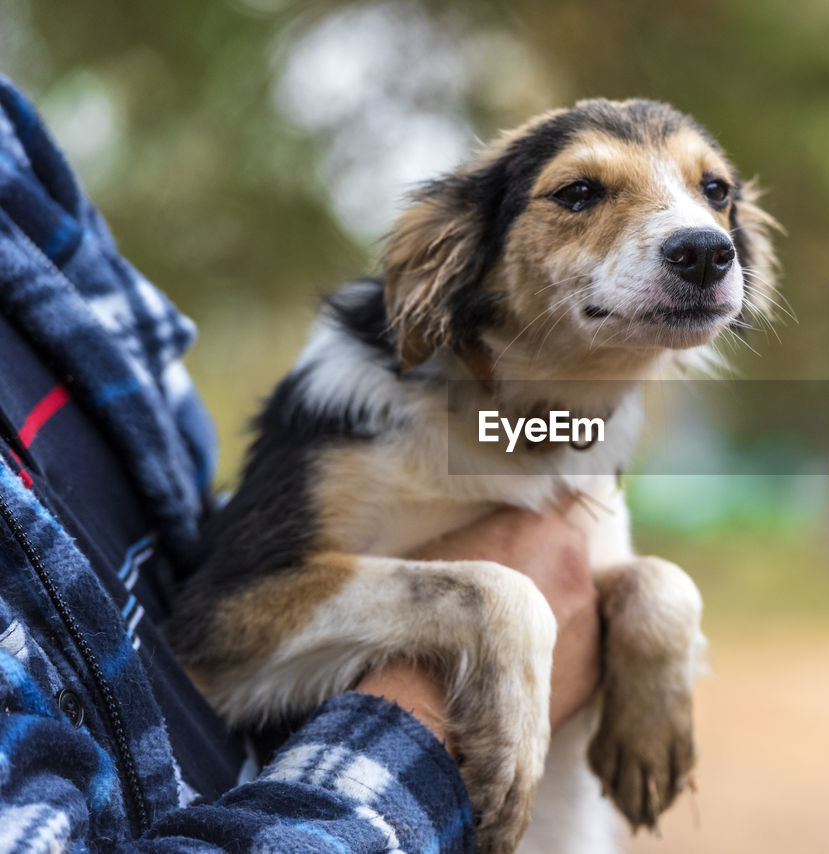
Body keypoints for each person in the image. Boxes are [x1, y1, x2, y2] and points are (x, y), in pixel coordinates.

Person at [0, 75, 600, 851]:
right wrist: (428, 720)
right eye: (580, 193)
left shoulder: (17, 156)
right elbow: (225, 623)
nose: (696, 234)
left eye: (714, 192)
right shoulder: (373, 396)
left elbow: (196, 549)